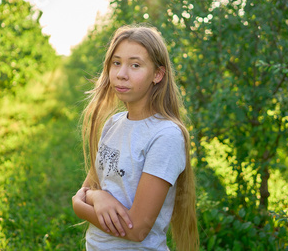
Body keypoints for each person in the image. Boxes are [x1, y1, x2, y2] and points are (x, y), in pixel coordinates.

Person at [72, 24, 199, 251]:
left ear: (157, 75)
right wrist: (98, 198)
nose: (121, 74)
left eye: (135, 65)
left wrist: (83, 202)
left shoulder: (165, 135)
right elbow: (86, 191)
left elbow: (137, 229)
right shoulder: (113, 124)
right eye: (116, 63)